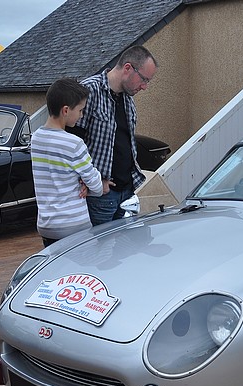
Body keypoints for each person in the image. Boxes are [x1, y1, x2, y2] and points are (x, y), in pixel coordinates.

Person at [69, 45, 157, 225]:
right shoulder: (88, 91)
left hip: (127, 192)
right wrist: (92, 183)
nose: (144, 87)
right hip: (100, 195)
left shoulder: (128, 99)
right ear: (128, 68)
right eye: (144, 79)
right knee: (99, 243)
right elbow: (72, 145)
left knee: (127, 244)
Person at [32, 78, 112, 247]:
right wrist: (89, 184)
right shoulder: (74, 143)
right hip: (73, 225)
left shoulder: (36, 138)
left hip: (46, 225)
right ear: (66, 110)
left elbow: (56, 173)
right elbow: (97, 187)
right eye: (81, 110)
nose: (82, 115)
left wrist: (80, 181)